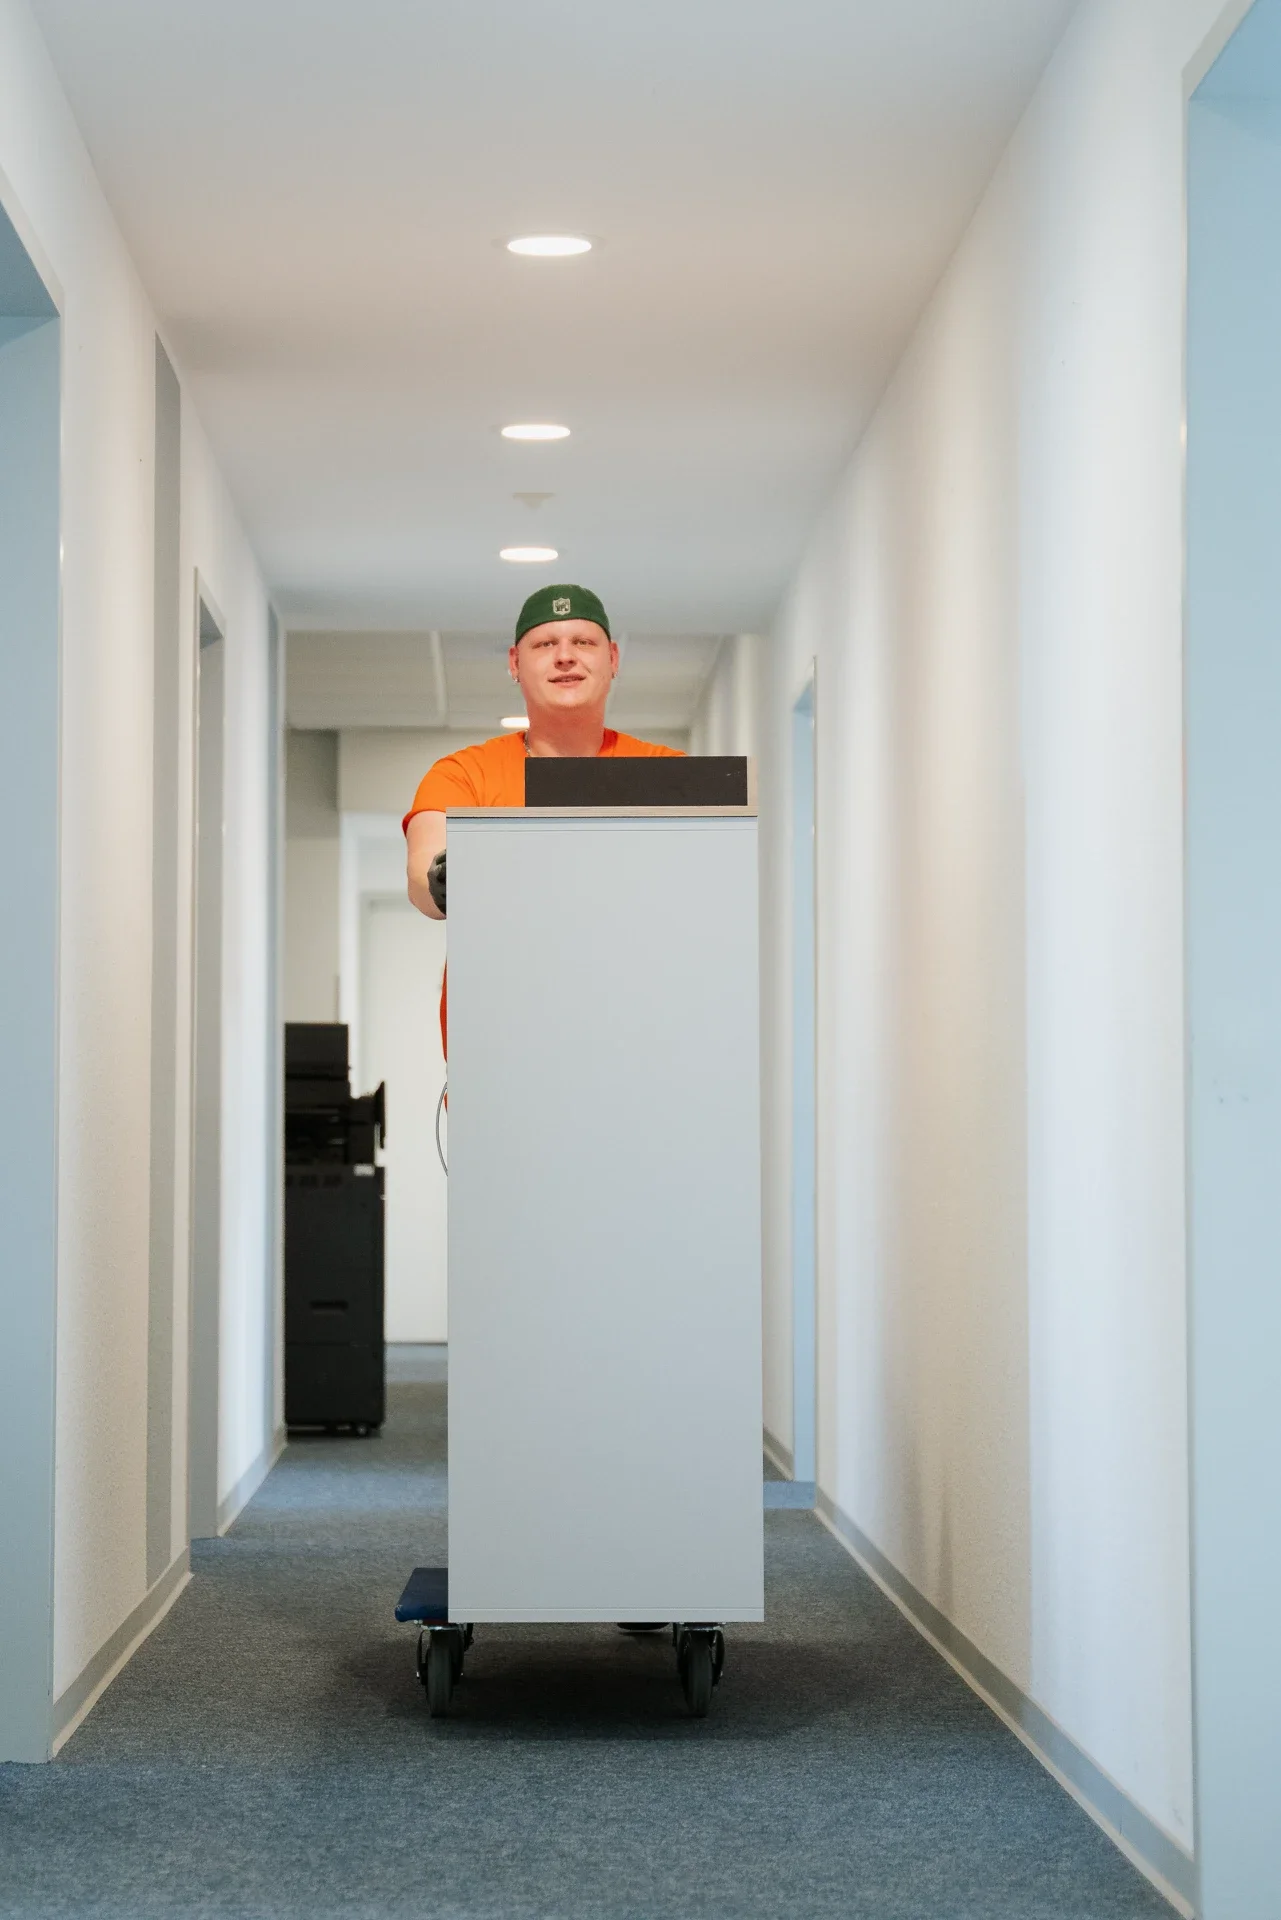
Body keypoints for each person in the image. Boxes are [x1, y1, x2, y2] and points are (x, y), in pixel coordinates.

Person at [404, 583, 682, 1050]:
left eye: (584, 642)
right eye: (545, 644)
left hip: (643, 1049)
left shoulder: (667, 775)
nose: (565, 657)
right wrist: (445, 877)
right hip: (505, 1054)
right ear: (515, 662)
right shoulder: (465, 774)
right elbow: (423, 878)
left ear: (613, 658)